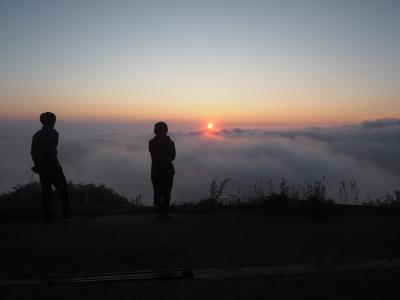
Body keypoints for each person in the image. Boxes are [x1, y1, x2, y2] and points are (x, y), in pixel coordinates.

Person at [31, 112, 72, 222]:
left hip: (43, 169)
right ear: (53, 121)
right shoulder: (54, 133)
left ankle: (48, 216)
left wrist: (38, 166)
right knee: (63, 190)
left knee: (46, 193)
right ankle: (66, 215)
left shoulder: (37, 135)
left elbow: (33, 152)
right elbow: (50, 151)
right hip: (54, 167)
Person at [149, 122, 176, 218]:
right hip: (168, 171)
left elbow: (154, 156)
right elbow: (173, 157)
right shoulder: (170, 143)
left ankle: (158, 213)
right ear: (166, 130)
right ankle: (164, 213)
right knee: (167, 193)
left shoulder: (151, 143)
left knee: (157, 192)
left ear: (155, 131)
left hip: (156, 171)